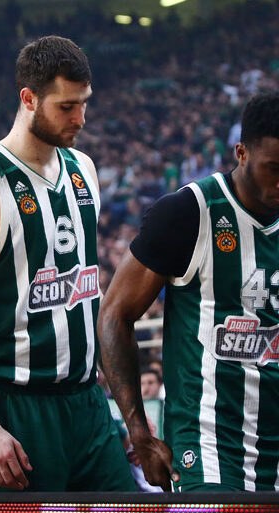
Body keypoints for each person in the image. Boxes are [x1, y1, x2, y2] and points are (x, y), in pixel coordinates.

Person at [0, 35, 136, 493]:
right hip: (7, 406)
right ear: (28, 99)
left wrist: (123, 412)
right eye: (66, 107)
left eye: (84, 103)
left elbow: (86, 294)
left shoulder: (84, 169)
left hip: (85, 405)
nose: (80, 118)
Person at [97, 92, 279, 493]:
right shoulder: (190, 212)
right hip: (210, 447)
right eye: (274, 168)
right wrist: (139, 431)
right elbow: (114, 314)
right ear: (242, 153)